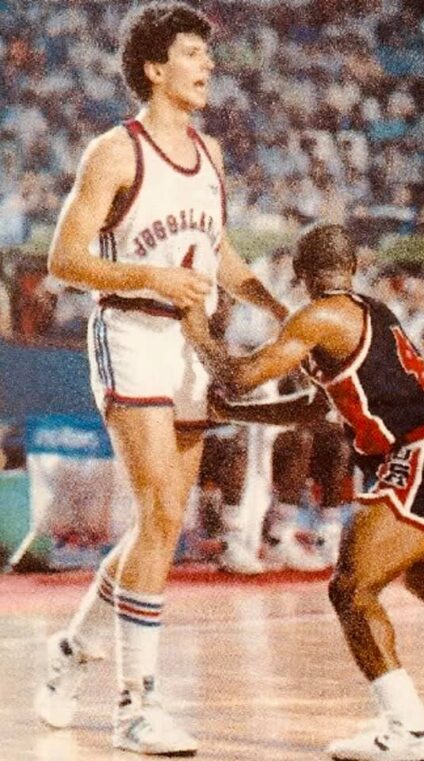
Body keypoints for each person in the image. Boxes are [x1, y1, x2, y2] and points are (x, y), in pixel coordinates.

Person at [181, 224, 424, 761]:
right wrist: (233, 413)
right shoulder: (372, 312)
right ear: (353, 268)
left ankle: (409, 729)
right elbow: (314, 408)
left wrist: (194, 326)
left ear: (300, 274)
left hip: (422, 457)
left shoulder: (319, 315)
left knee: (350, 589)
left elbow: (240, 374)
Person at [34, 3, 286, 756]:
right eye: (191, 53)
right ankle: (135, 706)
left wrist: (283, 310)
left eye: (208, 53)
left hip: (190, 342)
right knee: (159, 511)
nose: (208, 65)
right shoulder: (115, 151)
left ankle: (73, 648)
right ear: (153, 67)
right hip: (131, 333)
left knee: (163, 526)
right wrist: (149, 275)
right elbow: (63, 259)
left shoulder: (210, 153)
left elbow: (219, 253)